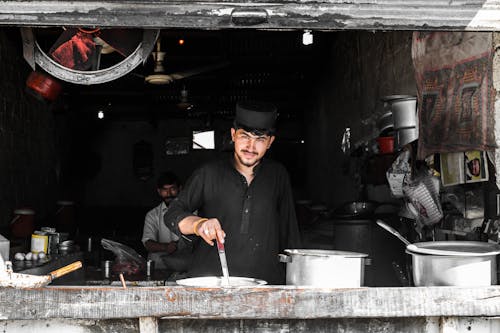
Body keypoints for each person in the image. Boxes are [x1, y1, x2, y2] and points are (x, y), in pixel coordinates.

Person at [165, 100, 301, 284]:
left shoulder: (277, 175)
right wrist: (199, 225)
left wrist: (295, 284)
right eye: (245, 136)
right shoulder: (209, 173)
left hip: (264, 287)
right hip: (213, 284)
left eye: (260, 139)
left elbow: (289, 234)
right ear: (233, 135)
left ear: (270, 142)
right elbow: (173, 213)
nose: (251, 147)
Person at [142, 172, 192, 271]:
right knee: (154, 258)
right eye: (165, 190)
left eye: (172, 189)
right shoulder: (153, 215)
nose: (169, 194)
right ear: (159, 191)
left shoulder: (192, 211)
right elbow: (147, 243)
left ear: (180, 189)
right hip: (163, 260)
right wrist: (166, 247)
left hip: (187, 258)